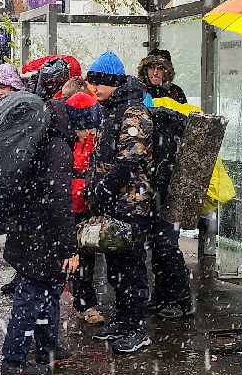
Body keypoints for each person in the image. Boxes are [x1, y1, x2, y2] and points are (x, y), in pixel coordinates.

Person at [0, 57, 80, 375]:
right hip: (40, 236)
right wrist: (69, 248)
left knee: (48, 291)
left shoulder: (38, 132)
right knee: (32, 295)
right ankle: (13, 360)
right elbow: (59, 201)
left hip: (29, 230)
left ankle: (47, 346)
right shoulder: (57, 146)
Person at [82, 51, 156, 354]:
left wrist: (103, 189)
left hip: (131, 203)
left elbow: (130, 159)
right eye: (92, 82)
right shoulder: (110, 109)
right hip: (114, 203)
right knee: (116, 266)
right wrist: (94, 189)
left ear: (115, 82)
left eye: (101, 83)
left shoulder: (133, 112)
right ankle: (123, 321)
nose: (95, 88)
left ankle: (136, 327)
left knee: (132, 266)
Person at [135, 50, 193, 320]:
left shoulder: (176, 95)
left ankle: (180, 300)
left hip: (169, 180)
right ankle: (162, 296)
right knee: (158, 245)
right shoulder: (142, 93)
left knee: (166, 244)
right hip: (154, 181)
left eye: (160, 68)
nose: (155, 72)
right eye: (151, 68)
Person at [65, 91, 105, 326]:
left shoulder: (97, 136)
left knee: (86, 256)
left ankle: (84, 303)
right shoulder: (63, 137)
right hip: (66, 203)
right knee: (68, 254)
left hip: (87, 203)